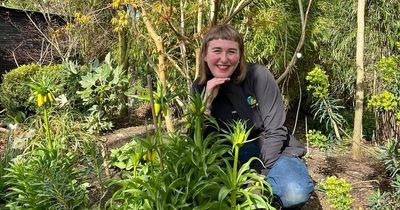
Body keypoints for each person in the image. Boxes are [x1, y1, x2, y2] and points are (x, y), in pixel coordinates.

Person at [192, 24, 314, 209]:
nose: (224, 59)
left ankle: (274, 200)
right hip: (225, 157)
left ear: (240, 56)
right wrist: (206, 104)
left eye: (231, 52)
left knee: (294, 192)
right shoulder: (200, 87)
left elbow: (276, 130)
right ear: (204, 55)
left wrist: (261, 176)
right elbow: (197, 141)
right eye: (217, 51)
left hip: (272, 151)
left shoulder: (258, 76)